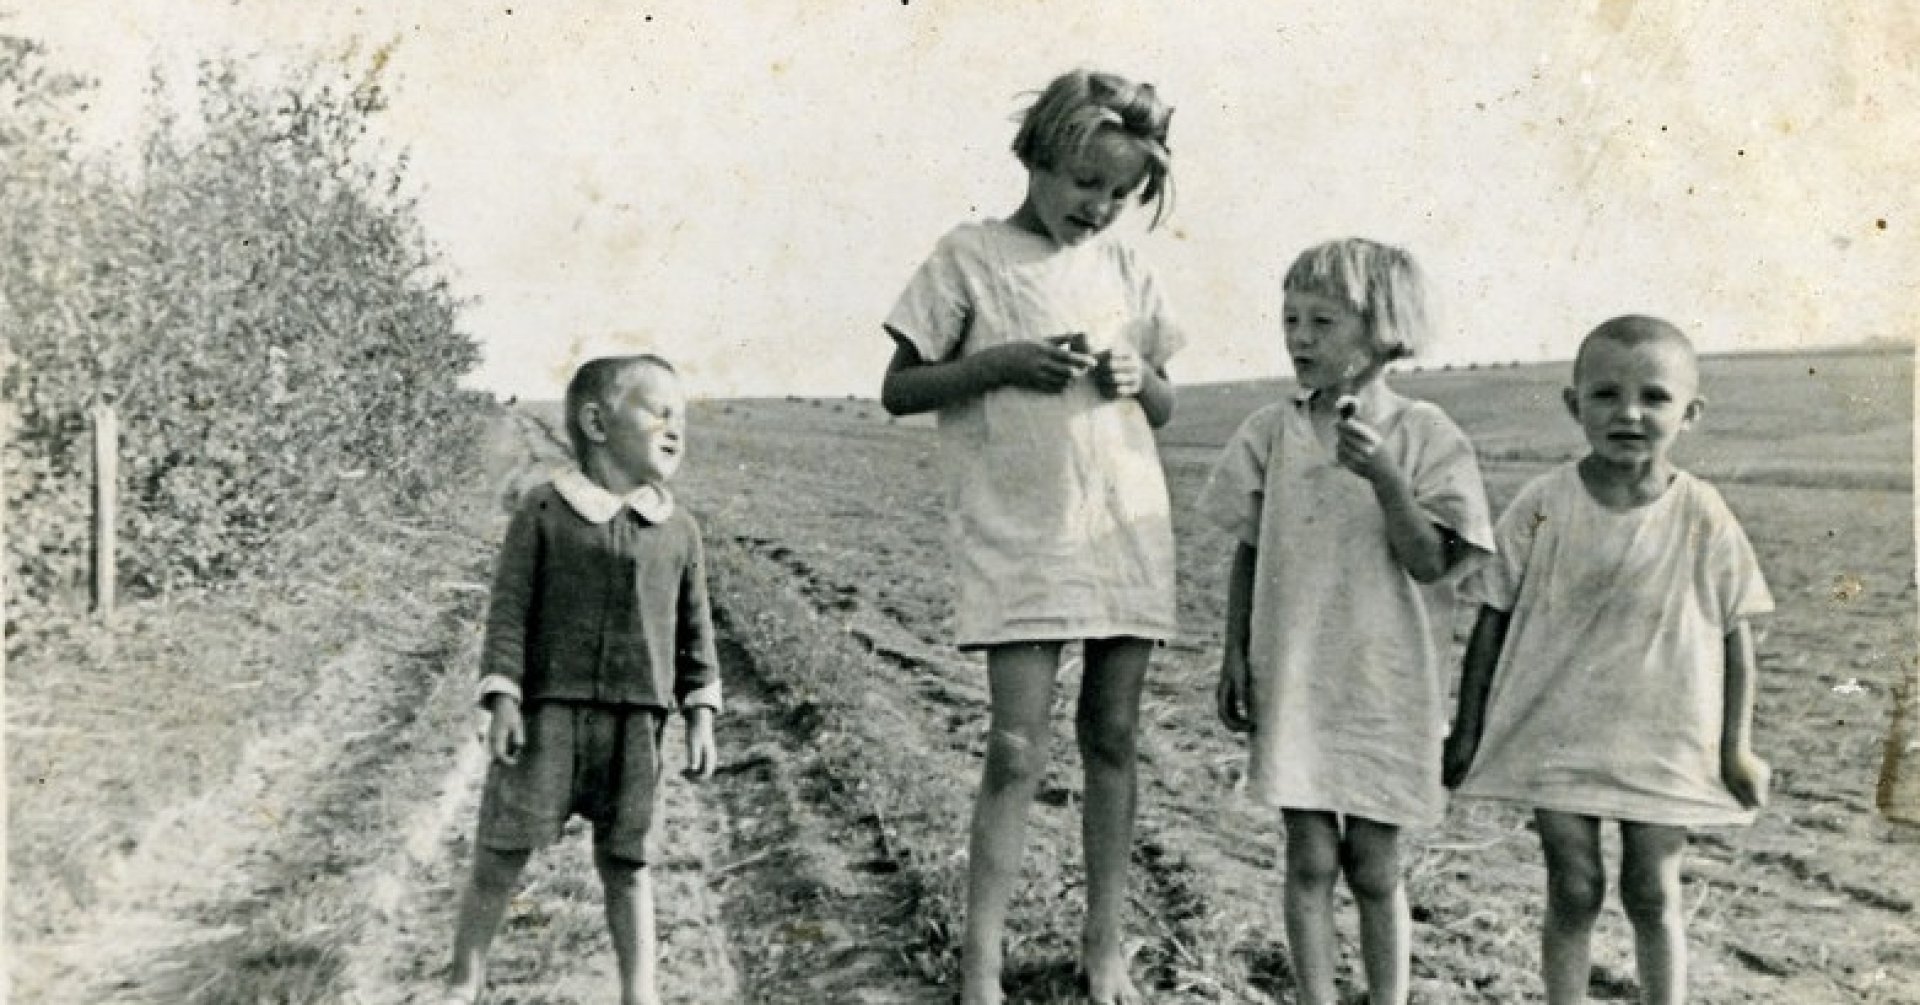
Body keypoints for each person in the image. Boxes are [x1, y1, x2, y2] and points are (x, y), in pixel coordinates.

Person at [878, 68, 1182, 1005]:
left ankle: (1105, 949)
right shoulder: (970, 256)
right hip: (1023, 531)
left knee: (1115, 736)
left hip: (1123, 525)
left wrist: (1138, 374)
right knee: (1016, 746)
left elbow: (1164, 404)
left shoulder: (1127, 270)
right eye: (1086, 184)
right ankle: (981, 962)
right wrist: (1000, 363)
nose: (1100, 208)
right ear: (1039, 157)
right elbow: (898, 387)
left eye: (1122, 196)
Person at [1443, 315, 1772, 1005]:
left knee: (1652, 889)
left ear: (1691, 413)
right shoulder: (1542, 504)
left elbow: (1737, 631)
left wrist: (1736, 749)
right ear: (1574, 405)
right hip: (1557, 732)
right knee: (1575, 884)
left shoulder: (1703, 512)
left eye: (1654, 396)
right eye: (1605, 395)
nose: (1628, 413)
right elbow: (1491, 619)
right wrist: (1467, 729)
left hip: (1664, 734)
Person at [1200, 238, 1494, 1005]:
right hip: (1294, 674)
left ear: (1382, 329)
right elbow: (1250, 550)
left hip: (1383, 683)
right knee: (1307, 856)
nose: (1298, 337)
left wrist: (1387, 478)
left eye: (1321, 321)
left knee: (1373, 863)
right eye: (1290, 318)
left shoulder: (1427, 435)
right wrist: (1234, 650)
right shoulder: (1273, 431)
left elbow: (1432, 562)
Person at [443, 355, 720, 1005]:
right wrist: (504, 696)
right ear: (597, 422)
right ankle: (463, 978)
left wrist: (701, 712)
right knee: (501, 849)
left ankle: (639, 991)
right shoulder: (544, 510)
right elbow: (509, 609)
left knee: (628, 862)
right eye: (658, 410)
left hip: (636, 724)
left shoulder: (679, 531)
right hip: (549, 718)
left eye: (682, 415)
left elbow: (695, 631)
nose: (676, 425)